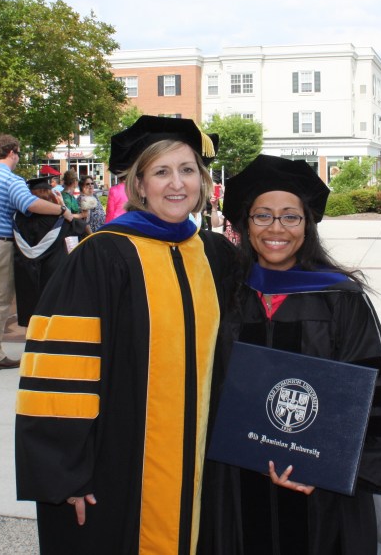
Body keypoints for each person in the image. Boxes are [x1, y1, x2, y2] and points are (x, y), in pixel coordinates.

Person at [15, 115, 233, 553]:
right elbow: (60, 371)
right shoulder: (100, 256)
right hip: (118, 463)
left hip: (203, 462)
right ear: (139, 185)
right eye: (161, 171)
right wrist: (66, 471)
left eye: (187, 170)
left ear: (203, 181)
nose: (177, 183)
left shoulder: (216, 255)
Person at [200, 154, 381, 555]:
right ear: (246, 224)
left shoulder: (340, 298)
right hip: (235, 481)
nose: (276, 228)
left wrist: (321, 466)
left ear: (307, 225)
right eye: (263, 216)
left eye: (290, 217)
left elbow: (367, 397)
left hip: (317, 492)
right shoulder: (225, 294)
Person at [0, 134, 66, 370]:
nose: (18, 158)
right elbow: (30, 204)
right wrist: (60, 210)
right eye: (18, 153)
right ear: (12, 152)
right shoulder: (11, 180)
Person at [12, 177, 83, 329]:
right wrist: (63, 207)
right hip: (52, 269)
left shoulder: (18, 217)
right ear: (50, 195)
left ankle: (31, 339)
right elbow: (79, 229)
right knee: (51, 308)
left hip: (25, 269)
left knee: (30, 309)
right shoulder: (57, 217)